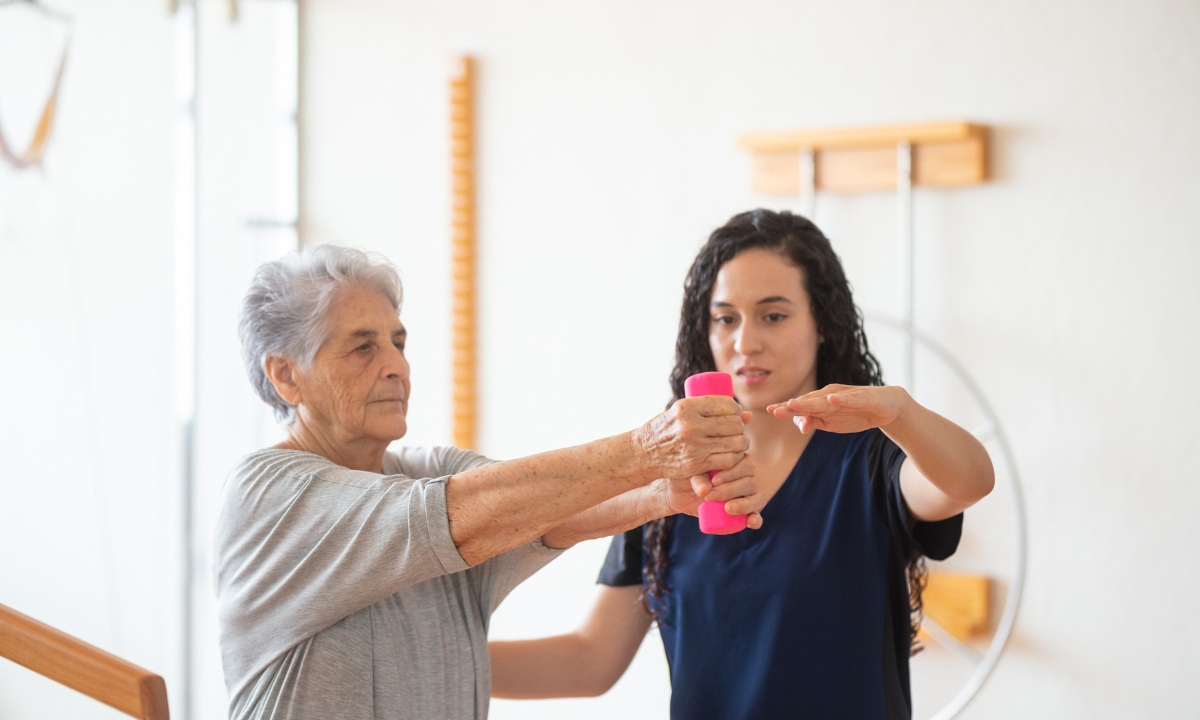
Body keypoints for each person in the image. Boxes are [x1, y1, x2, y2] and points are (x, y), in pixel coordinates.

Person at [213, 245, 768, 720]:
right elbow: (456, 518)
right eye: (363, 347)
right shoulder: (266, 495)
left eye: (398, 343)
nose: (397, 367)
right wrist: (648, 449)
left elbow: (536, 513)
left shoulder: (427, 470)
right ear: (286, 375)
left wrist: (662, 494)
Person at [488, 209, 996, 720]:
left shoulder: (870, 460)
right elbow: (590, 661)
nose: (744, 342)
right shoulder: (673, 478)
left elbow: (969, 481)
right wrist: (435, 657)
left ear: (823, 324)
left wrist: (901, 411)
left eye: (773, 315)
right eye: (726, 318)